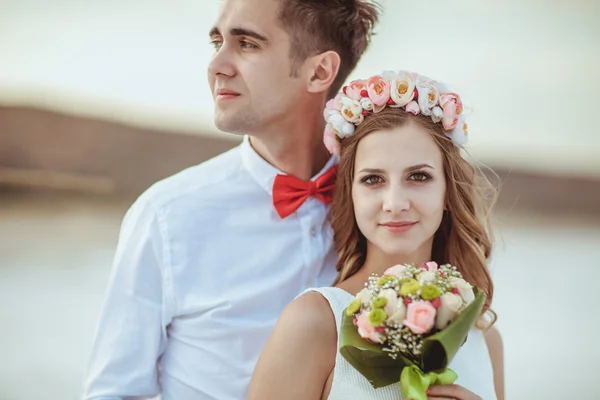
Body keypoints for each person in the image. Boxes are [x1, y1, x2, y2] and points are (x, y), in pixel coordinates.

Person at [83, 0, 381, 399]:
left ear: (319, 71)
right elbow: (112, 392)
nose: (216, 65)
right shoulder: (167, 216)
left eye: (247, 44)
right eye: (217, 42)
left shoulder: (389, 211)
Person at [248, 70, 505, 400]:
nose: (395, 203)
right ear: (351, 193)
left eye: (418, 176)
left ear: (447, 192)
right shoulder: (315, 322)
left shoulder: (486, 340)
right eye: (373, 180)